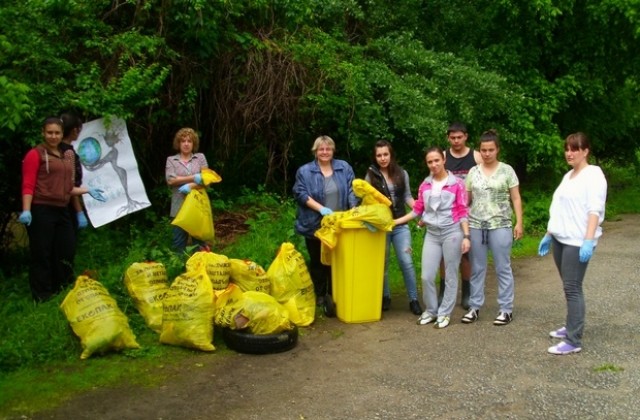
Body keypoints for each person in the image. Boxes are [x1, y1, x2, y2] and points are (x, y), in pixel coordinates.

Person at [19, 116, 107, 302]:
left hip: (62, 209)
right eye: (49, 132)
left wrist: (88, 190)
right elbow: (28, 184)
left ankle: (63, 290)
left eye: (57, 133)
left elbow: (68, 187)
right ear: (43, 133)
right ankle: (42, 296)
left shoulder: (65, 155)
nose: (53, 136)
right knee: (42, 253)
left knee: (65, 250)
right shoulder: (35, 154)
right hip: (41, 209)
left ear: (61, 134)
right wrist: (26, 210)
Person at [538, 132, 607, 355]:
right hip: (560, 238)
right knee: (568, 286)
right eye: (567, 149)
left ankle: (573, 340)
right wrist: (549, 234)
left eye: (575, 149)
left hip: (578, 241)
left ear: (585, 151)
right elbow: (558, 208)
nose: (569, 153)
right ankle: (570, 325)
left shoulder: (593, 175)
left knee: (573, 288)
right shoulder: (568, 176)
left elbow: (594, 209)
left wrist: (588, 240)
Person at [394, 147, 470, 329]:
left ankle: (444, 313)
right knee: (427, 275)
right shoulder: (425, 184)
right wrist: (395, 222)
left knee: (451, 274)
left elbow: (462, 211)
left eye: (437, 160)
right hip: (433, 234)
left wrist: (466, 236)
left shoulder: (457, 183)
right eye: (430, 162)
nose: (434, 164)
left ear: (444, 159)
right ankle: (431, 310)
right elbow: (418, 209)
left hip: (452, 232)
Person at [462, 129, 523, 326]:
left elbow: (515, 197)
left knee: (502, 267)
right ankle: (474, 306)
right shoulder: (473, 172)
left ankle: (506, 309)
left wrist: (519, 222)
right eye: (483, 150)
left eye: (491, 150)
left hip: (500, 224)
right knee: (477, 268)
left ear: (497, 150)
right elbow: (466, 199)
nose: (487, 154)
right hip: (476, 224)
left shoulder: (507, 170)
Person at [293, 135, 358, 306]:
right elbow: (300, 193)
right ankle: (321, 295)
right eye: (321, 149)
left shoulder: (344, 167)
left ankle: (335, 293)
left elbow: (353, 189)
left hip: (339, 224)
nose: (325, 152)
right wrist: (321, 209)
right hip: (315, 224)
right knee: (318, 261)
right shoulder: (305, 171)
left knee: (336, 260)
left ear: (333, 150)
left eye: (328, 148)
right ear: (315, 151)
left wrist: (352, 210)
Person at [365, 140, 422, 315]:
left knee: (406, 261)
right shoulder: (371, 175)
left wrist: (418, 210)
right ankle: (385, 296)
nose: (383, 158)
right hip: (380, 227)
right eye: (379, 155)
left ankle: (413, 299)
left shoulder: (401, 173)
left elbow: (407, 197)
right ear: (375, 157)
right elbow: (367, 200)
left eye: (385, 154)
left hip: (400, 225)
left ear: (391, 155)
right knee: (382, 263)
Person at [439, 122, 482, 309]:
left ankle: (467, 293)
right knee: (443, 256)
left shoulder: (476, 156)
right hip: (446, 213)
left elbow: (484, 181)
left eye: (459, 137)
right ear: (448, 138)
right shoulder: (442, 156)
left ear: (466, 136)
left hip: (468, 212)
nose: (456, 141)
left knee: (466, 255)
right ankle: (444, 292)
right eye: (452, 137)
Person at [165, 127, 208, 254]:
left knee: (199, 245)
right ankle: (180, 270)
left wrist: (191, 186)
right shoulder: (171, 160)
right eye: (183, 141)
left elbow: (207, 180)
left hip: (197, 206)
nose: (186, 144)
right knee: (178, 244)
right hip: (179, 208)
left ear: (193, 143)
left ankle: (201, 270)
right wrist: (194, 178)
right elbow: (171, 180)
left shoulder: (200, 158)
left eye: (189, 141)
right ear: (178, 143)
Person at [60, 112, 87, 231]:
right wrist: (79, 211)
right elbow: (70, 186)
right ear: (75, 130)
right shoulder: (68, 153)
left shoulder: (54, 149)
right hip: (66, 206)